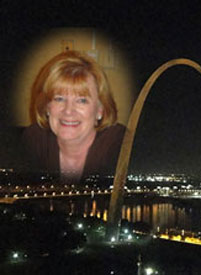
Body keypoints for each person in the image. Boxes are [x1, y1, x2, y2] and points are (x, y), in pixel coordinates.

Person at [22, 50, 125, 182]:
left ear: (100, 110)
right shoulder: (33, 139)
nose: (68, 111)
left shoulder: (120, 145)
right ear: (47, 107)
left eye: (82, 100)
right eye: (59, 99)